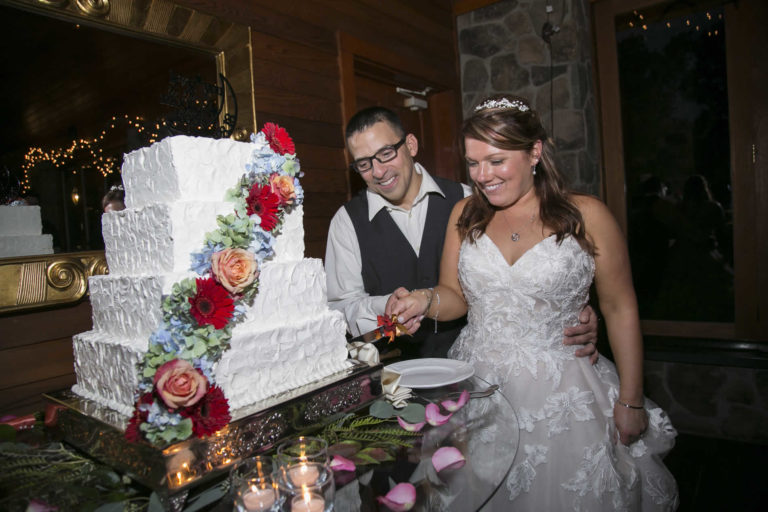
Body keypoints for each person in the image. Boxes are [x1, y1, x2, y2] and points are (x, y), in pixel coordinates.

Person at [387, 95, 678, 510]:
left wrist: (631, 398)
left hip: (561, 393)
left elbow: (619, 307)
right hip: (480, 387)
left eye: (496, 161)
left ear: (534, 152)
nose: (482, 176)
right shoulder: (464, 214)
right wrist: (422, 300)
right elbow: (454, 297)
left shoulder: (587, 215)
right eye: (472, 163)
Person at [325, 106, 599, 360]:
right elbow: (340, 309)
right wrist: (386, 308)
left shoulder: (471, 202)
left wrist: (569, 313)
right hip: (393, 377)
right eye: (364, 164)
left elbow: (522, 273)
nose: (378, 171)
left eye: (386, 154)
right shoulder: (346, 222)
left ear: (410, 145)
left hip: (472, 371)